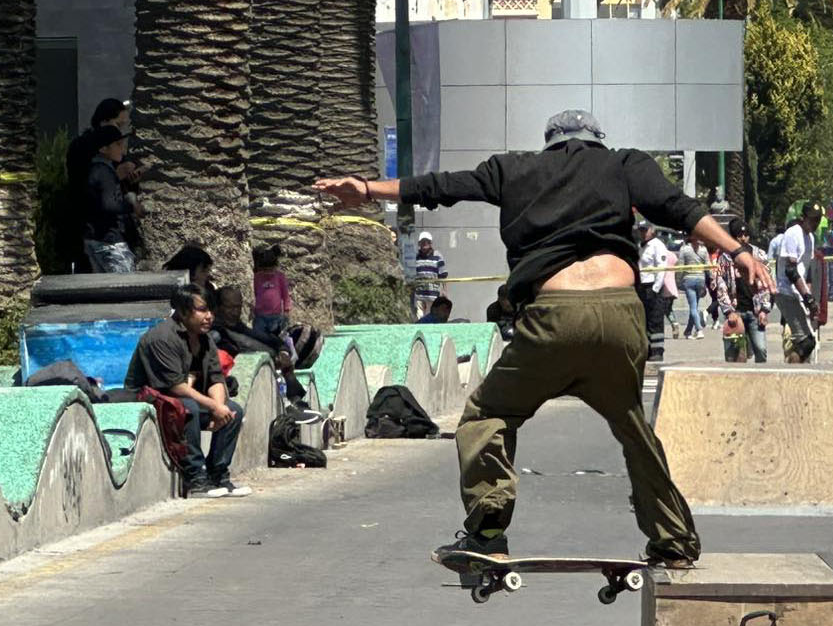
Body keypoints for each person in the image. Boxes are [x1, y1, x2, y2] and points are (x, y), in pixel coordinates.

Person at [314, 108, 771, 566]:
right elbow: (682, 209)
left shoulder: (514, 169)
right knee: (632, 426)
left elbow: (442, 187)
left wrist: (369, 189)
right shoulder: (624, 164)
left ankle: (489, 529)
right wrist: (739, 250)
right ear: (597, 140)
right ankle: (673, 540)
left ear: (550, 142)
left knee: (486, 414)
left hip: (553, 319)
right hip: (619, 316)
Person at [124, 283, 251, 498]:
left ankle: (217, 474)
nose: (209, 316)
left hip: (185, 397)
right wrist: (212, 406)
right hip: (153, 398)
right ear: (183, 312)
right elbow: (175, 386)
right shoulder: (161, 338)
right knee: (188, 407)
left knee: (233, 410)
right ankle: (195, 478)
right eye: (202, 310)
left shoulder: (205, 338)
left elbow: (215, 378)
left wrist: (219, 408)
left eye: (211, 310)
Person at [212, 286, 307, 403]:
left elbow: (264, 338)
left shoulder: (237, 326)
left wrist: (282, 351)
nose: (235, 312)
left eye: (238, 307)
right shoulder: (216, 332)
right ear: (218, 308)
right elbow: (244, 343)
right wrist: (275, 356)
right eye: (230, 307)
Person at [81, 125, 137, 274]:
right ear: (103, 149)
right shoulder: (104, 172)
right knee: (126, 286)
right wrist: (133, 206)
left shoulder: (94, 169)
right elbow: (109, 204)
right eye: (117, 145)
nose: (122, 149)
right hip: (109, 241)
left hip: (93, 239)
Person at [775, 203, 821, 362]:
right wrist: (807, 297)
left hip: (798, 293)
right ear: (803, 218)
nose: (815, 224)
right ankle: (790, 374)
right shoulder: (793, 234)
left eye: (818, 220)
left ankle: (795, 368)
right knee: (805, 342)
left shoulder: (811, 238)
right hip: (786, 291)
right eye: (812, 220)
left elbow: (806, 273)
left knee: (807, 343)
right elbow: (791, 271)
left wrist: (810, 300)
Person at [724, 218, 770, 363]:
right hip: (736, 311)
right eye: (739, 235)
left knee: (761, 350)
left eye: (746, 235)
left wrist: (764, 309)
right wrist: (728, 310)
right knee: (736, 356)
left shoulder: (760, 255)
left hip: (755, 311)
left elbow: (767, 283)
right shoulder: (726, 257)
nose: (743, 238)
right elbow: (720, 284)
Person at [637, 222, 670, 360]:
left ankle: (657, 351)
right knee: (645, 320)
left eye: (645, 230)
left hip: (653, 286)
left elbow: (661, 268)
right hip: (642, 285)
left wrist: (656, 288)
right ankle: (648, 350)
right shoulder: (641, 246)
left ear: (652, 230)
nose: (643, 233)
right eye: (641, 230)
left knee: (655, 319)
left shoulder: (658, 245)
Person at [251, 244, 292, 338]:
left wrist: (286, 311)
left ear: (275, 266)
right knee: (259, 337)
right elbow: (256, 293)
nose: (268, 272)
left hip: (276, 316)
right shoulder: (257, 277)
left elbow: (285, 295)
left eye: (271, 269)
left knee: (276, 337)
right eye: (265, 270)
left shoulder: (280, 277)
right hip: (260, 315)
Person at [164, 245, 220, 312]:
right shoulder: (166, 294)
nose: (208, 276)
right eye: (203, 271)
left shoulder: (209, 290)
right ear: (189, 272)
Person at [678, 234, 709, 339]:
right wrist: (712, 279)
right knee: (695, 306)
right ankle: (688, 331)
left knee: (693, 307)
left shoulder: (684, 249)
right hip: (701, 279)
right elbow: (708, 266)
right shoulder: (704, 250)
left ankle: (699, 329)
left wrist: (678, 280)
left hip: (689, 278)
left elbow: (681, 267)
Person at [412, 233, 449, 319]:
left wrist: (444, 291)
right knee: (419, 318)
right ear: (419, 244)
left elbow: (443, 275)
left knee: (433, 318)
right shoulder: (416, 257)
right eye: (422, 242)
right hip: (419, 295)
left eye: (427, 241)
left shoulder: (437, 256)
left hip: (433, 295)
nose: (424, 244)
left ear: (430, 243)